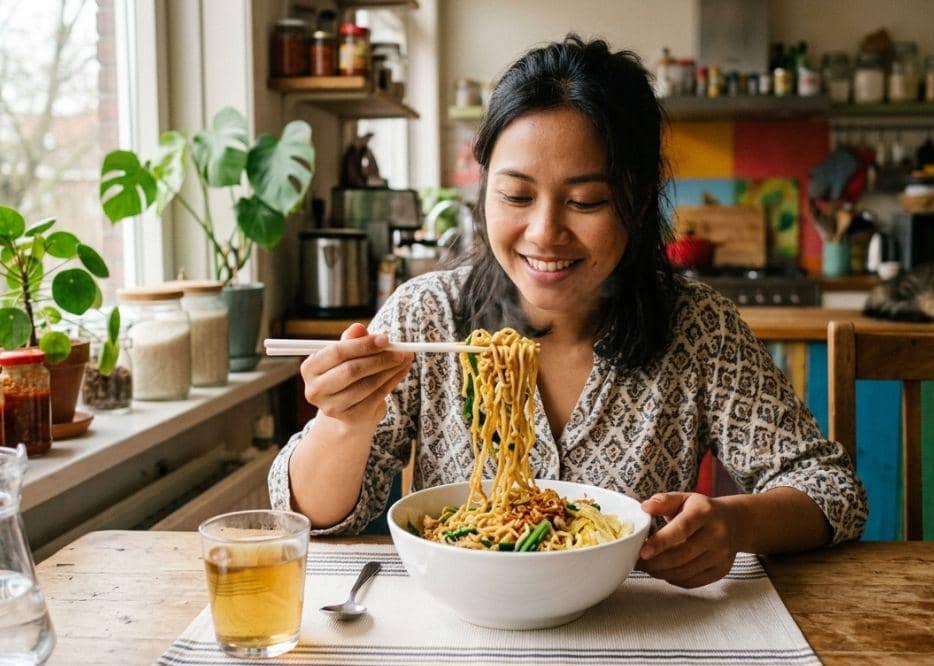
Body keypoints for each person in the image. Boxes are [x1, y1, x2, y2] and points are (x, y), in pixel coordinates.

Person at [269, 35, 868, 589]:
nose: (544, 232)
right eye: (516, 195)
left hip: (638, 628)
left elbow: (831, 489)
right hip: (469, 625)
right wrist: (343, 422)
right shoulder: (426, 316)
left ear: (636, 199)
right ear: (483, 185)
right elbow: (313, 521)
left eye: (585, 200)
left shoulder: (697, 326)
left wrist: (736, 525)